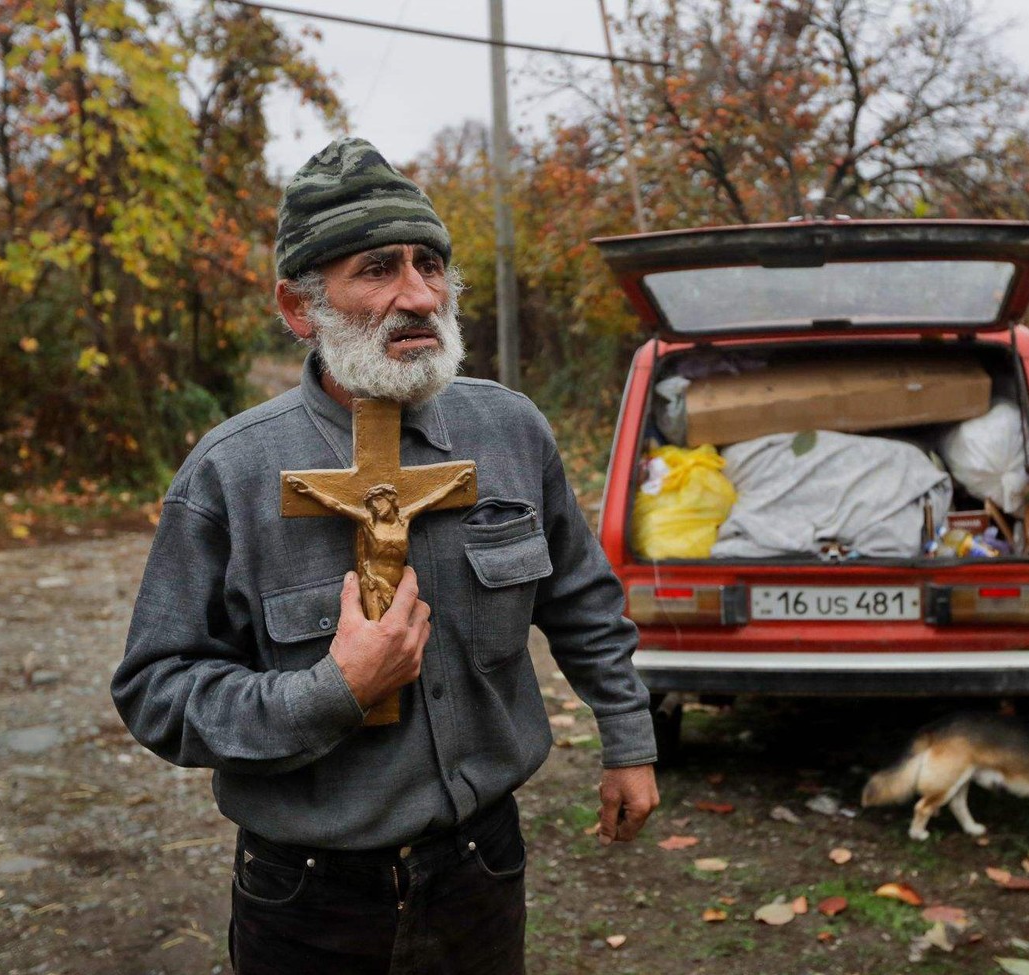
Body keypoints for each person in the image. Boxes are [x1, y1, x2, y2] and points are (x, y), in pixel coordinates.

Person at [111, 136, 659, 975]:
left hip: (481, 862)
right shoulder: (231, 473)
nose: (419, 295)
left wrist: (627, 736)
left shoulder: (509, 431)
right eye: (377, 269)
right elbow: (157, 692)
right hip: (308, 890)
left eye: (430, 263)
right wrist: (332, 690)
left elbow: (581, 598)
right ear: (300, 308)